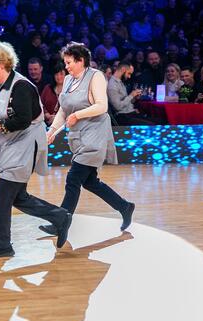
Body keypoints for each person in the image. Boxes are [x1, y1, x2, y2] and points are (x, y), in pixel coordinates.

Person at [0, 41, 72, 258]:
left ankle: (3, 245)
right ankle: (60, 217)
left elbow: (21, 119)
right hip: (9, 144)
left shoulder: (21, 86)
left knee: (3, 194)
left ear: (2, 64)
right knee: (18, 197)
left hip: (26, 143)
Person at [42, 42, 134, 238]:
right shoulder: (67, 80)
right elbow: (63, 110)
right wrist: (51, 131)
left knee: (73, 179)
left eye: (68, 62)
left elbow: (102, 106)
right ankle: (125, 207)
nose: (65, 66)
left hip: (95, 135)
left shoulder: (96, 76)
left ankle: (61, 221)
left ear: (81, 60)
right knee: (90, 182)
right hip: (78, 136)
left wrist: (79, 114)